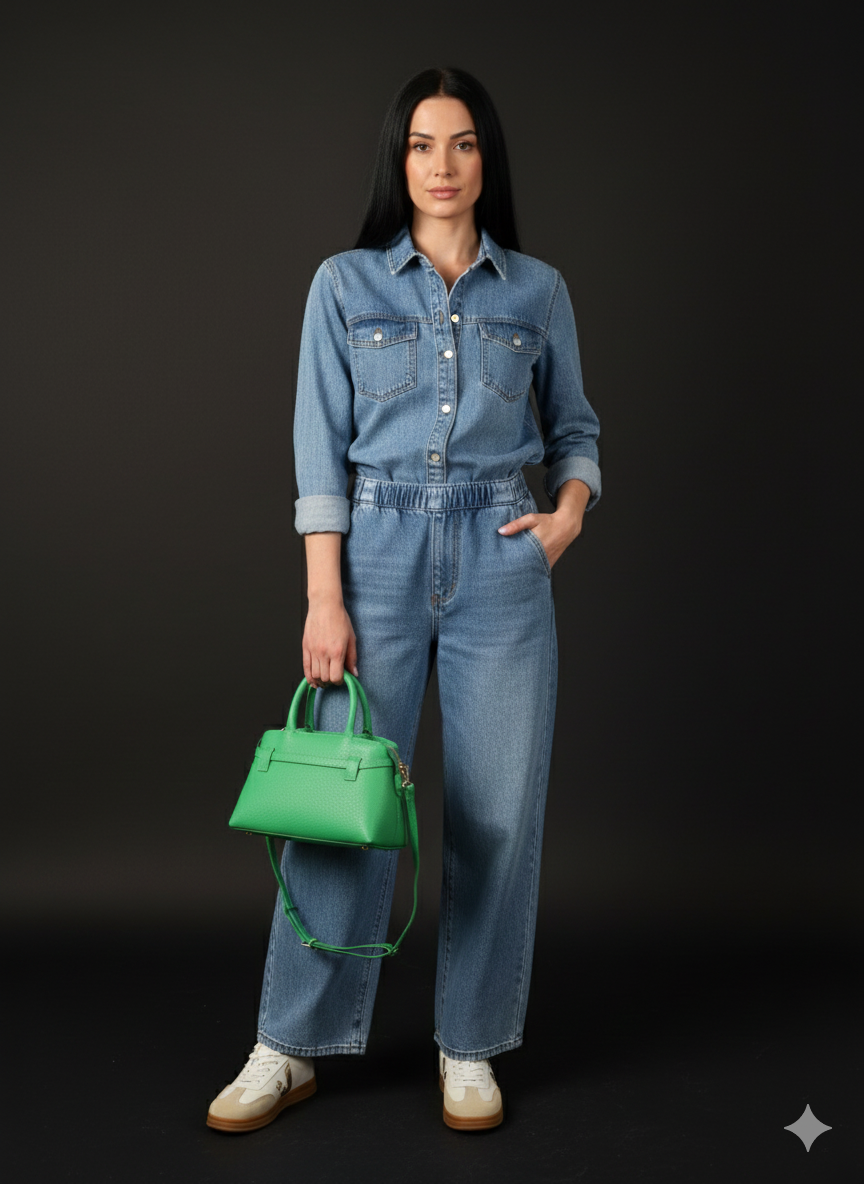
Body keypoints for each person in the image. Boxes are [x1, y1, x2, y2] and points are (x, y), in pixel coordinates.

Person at [207, 65, 601, 1135]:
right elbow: (318, 452)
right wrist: (322, 597)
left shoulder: (537, 291)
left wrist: (565, 515)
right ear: (400, 158)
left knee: (496, 814)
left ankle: (469, 1044)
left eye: (463, 143)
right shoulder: (344, 285)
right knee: (340, 804)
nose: (442, 165)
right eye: (423, 144)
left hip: (499, 559)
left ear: (486, 159)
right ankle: (289, 1045)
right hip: (373, 555)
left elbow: (576, 429)